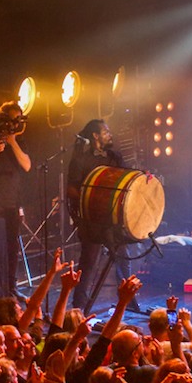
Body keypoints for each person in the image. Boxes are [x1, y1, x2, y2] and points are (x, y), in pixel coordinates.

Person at [66, 119, 136, 311]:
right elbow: (71, 189)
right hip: (92, 220)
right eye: (105, 132)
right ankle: (79, 306)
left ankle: (128, 299)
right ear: (95, 136)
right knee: (89, 262)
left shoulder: (114, 157)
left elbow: (127, 180)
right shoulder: (81, 159)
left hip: (113, 218)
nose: (109, 134)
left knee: (123, 256)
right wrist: (91, 198)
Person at [0, 102, 32, 298]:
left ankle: (11, 287)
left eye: (18, 119)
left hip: (13, 203)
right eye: (12, 119)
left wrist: (12, 143)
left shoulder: (19, 142)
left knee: (12, 249)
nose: (15, 124)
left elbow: (27, 165)